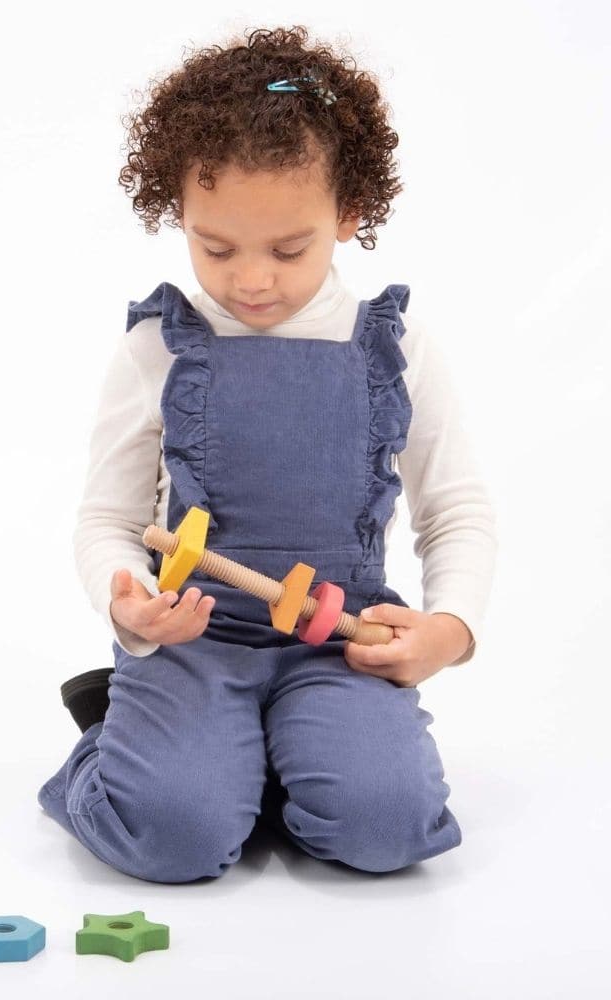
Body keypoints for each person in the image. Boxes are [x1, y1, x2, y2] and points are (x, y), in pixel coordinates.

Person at [36, 25, 498, 883]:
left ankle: (265, 764)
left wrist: (449, 631)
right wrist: (125, 607)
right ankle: (117, 744)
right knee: (171, 837)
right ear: (180, 215)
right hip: (192, 646)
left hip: (338, 646)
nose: (250, 280)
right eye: (215, 247)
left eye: (289, 249)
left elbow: (456, 509)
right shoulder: (158, 348)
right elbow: (108, 517)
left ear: (348, 215)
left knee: (387, 829)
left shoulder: (395, 349)